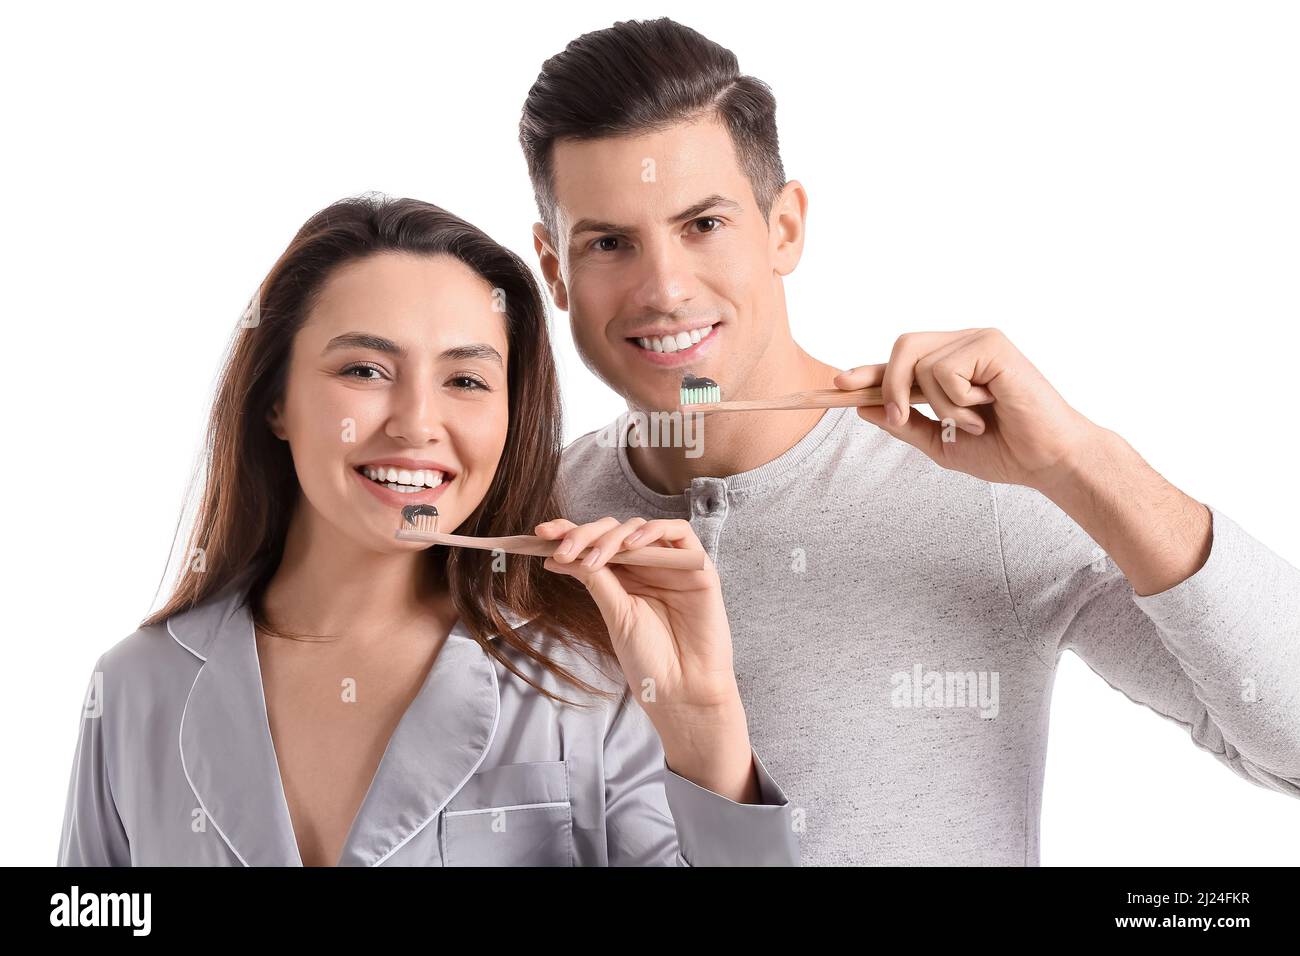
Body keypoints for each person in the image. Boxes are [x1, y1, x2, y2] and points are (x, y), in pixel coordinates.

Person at [519, 17, 1300, 864]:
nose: (664, 288)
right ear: (555, 271)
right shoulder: (533, 523)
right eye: (608, 243)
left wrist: (1081, 462)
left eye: (703, 224)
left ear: (784, 229)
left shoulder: (984, 484)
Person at [57, 193, 799, 867]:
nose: (416, 423)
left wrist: (704, 723)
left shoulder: (589, 686)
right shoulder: (134, 689)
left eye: (466, 381)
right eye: (365, 370)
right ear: (275, 401)